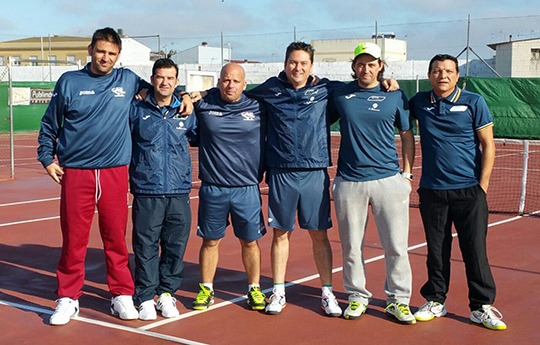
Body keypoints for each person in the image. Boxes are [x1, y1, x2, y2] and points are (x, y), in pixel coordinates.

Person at [36, 28, 192, 326]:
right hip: (77, 174)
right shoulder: (69, 82)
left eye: (111, 53)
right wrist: (46, 159)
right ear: (90, 50)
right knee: (74, 240)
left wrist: (185, 94)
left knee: (115, 239)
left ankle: (121, 293)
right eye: (100, 51)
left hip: (115, 172)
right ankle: (68, 298)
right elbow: (49, 124)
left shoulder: (128, 79)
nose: (105, 57)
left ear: (118, 56)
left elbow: (161, 88)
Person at [244, 42, 343, 317]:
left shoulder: (327, 89)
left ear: (311, 66)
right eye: (292, 62)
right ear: (285, 63)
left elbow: (361, 87)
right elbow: (238, 94)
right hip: (281, 172)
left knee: (319, 234)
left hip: (314, 172)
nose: (297, 68)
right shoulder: (270, 88)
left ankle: (327, 292)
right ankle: (278, 291)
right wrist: (197, 94)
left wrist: (387, 83)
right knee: (281, 233)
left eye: (303, 63)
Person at [409, 54, 506, 330]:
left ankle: (480, 306)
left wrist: (481, 187)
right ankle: (436, 300)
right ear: (429, 75)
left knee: (474, 250)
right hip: (432, 191)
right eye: (438, 71)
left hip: (469, 192)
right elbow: (395, 109)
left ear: (457, 75)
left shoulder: (474, 101)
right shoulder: (418, 103)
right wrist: (389, 84)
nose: (443, 76)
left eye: (449, 71)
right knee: (436, 251)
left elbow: (488, 145)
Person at [330, 42, 416, 323]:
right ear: (353, 66)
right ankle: (356, 296)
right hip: (349, 183)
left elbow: (406, 135)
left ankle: (398, 300)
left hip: (388, 181)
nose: (365, 69)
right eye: (360, 64)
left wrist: (406, 175)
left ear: (381, 66)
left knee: (395, 246)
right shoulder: (340, 94)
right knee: (351, 246)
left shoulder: (395, 96)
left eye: (371, 64)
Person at [191, 63, 268, 312]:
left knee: (249, 241)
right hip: (213, 188)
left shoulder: (258, 107)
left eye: (235, 81)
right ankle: (206, 288)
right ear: (218, 82)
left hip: (246, 188)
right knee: (210, 241)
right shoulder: (204, 105)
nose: (230, 85)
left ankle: (254, 289)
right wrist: (193, 95)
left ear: (245, 84)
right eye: (225, 80)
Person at [129, 58, 197, 320]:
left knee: (175, 245)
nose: (164, 82)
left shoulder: (186, 113)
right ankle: (145, 296)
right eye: (159, 77)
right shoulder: (137, 110)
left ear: (177, 81)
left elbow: (204, 136)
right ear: (152, 79)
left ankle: (167, 293)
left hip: (179, 191)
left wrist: (188, 97)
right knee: (146, 246)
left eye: (170, 78)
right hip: (147, 190)